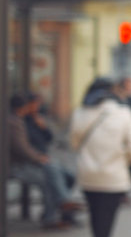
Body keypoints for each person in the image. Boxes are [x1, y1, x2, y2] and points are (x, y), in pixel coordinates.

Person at [70, 77, 131, 237]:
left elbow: (74, 143)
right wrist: (123, 161)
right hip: (113, 177)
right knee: (107, 218)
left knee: (95, 216)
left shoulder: (80, 112)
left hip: (87, 175)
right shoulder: (123, 113)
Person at [8, 93, 82, 228]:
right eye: (35, 104)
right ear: (26, 106)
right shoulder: (16, 122)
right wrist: (39, 158)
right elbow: (22, 148)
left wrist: (42, 126)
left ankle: (63, 207)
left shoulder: (33, 119)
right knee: (49, 177)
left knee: (67, 176)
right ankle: (56, 212)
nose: (37, 107)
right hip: (26, 163)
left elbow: (49, 138)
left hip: (38, 159)